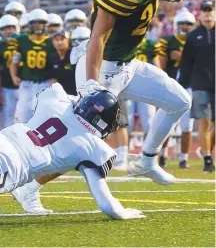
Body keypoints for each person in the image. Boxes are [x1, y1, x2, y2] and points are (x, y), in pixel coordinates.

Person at [73, 0, 191, 185]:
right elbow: (98, 37)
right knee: (78, 137)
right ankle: (31, 185)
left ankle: (146, 161)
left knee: (180, 101)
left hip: (128, 64)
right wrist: (92, 85)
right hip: (103, 67)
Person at [0, 83, 144, 220]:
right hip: (12, 166)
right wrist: (123, 213)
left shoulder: (56, 100)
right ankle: (28, 191)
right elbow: (108, 206)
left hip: (4, 140)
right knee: (67, 158)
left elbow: (46, 97)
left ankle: (28, 191)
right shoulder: (94, 148)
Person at [178, 0, 215, 172]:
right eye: (204, 11)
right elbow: (186, 62)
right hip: (200, 84)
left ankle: (207, 150)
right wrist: (183, 84)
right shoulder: (193, 37)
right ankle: (207, 159)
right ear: (199, 14)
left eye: (210, 10)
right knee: (204, 122)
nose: (208, 14)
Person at [159, 10, 196, 168]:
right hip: (172, 85)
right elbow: (160, 63)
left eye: (188, 24)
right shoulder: (167, 41)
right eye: (182, 23)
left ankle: (184, 158)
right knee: (169, 122)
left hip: (189, 84)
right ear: (176, 25)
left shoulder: (196, 41)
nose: (185, 26)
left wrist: (184, 57)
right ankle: (162, 155)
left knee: (187, 125)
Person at [10, 9, 55, 123]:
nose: (38, 25)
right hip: (27, 83)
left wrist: (54, 79)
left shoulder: (52, 41)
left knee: (44, 116)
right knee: (23, 117)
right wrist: (14, 75)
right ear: (30, 24)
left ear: (46, 24)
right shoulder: (22, 40)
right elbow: (14, 61)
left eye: (40, 22)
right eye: (35, 23)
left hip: (45, 82)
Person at [0, 15, 19, 128]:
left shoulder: (23, 41)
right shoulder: (1, 45)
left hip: (24, 84)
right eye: (5, 29)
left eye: (10, 28)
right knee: (8, 115)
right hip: (7, 85)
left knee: (23, 115)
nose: (8, 31)